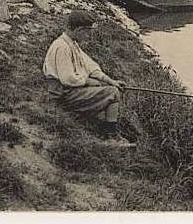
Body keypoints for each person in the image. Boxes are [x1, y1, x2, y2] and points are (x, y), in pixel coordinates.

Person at [42, 10, 132, 145]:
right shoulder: (62, 47)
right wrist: (89, 82)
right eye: (87, 31)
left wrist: (110, 81)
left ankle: (107, 129)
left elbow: (90, 66)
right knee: (113, 93)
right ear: (79, 29)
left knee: (109, 89)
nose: (89, 35)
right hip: (62, 95)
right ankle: (111, 137)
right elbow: (68, 79)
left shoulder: (72, 44)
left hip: (69, 91)